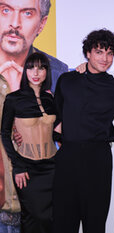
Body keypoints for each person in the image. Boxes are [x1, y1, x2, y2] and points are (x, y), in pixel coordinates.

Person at [0, 0, 68, 231]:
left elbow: (63, 133)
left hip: (40, 200)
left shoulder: (59, 73)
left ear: (41, 24)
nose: (14, 23)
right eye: (5, 10)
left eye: (27, 13)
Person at [52, 29, 114, 233]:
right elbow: (56, 116)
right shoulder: (68, 80)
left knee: (95, 223)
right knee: (63, 221)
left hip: (98, 159)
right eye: (99, 52)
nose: (105, 58)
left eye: (109, 53)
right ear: (88, 53)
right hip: (68, 158)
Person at [1, 52, 57, 233]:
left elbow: (56, 133)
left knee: (51, 218)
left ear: (47, 72)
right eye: (31, 67)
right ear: (25, 70)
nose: (36, 72)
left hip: (53, 168)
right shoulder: (14, 99)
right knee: (33, 218)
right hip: (27, 169)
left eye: (41, 68)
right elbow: (4, 133)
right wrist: (18, 166)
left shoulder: (51, 99)